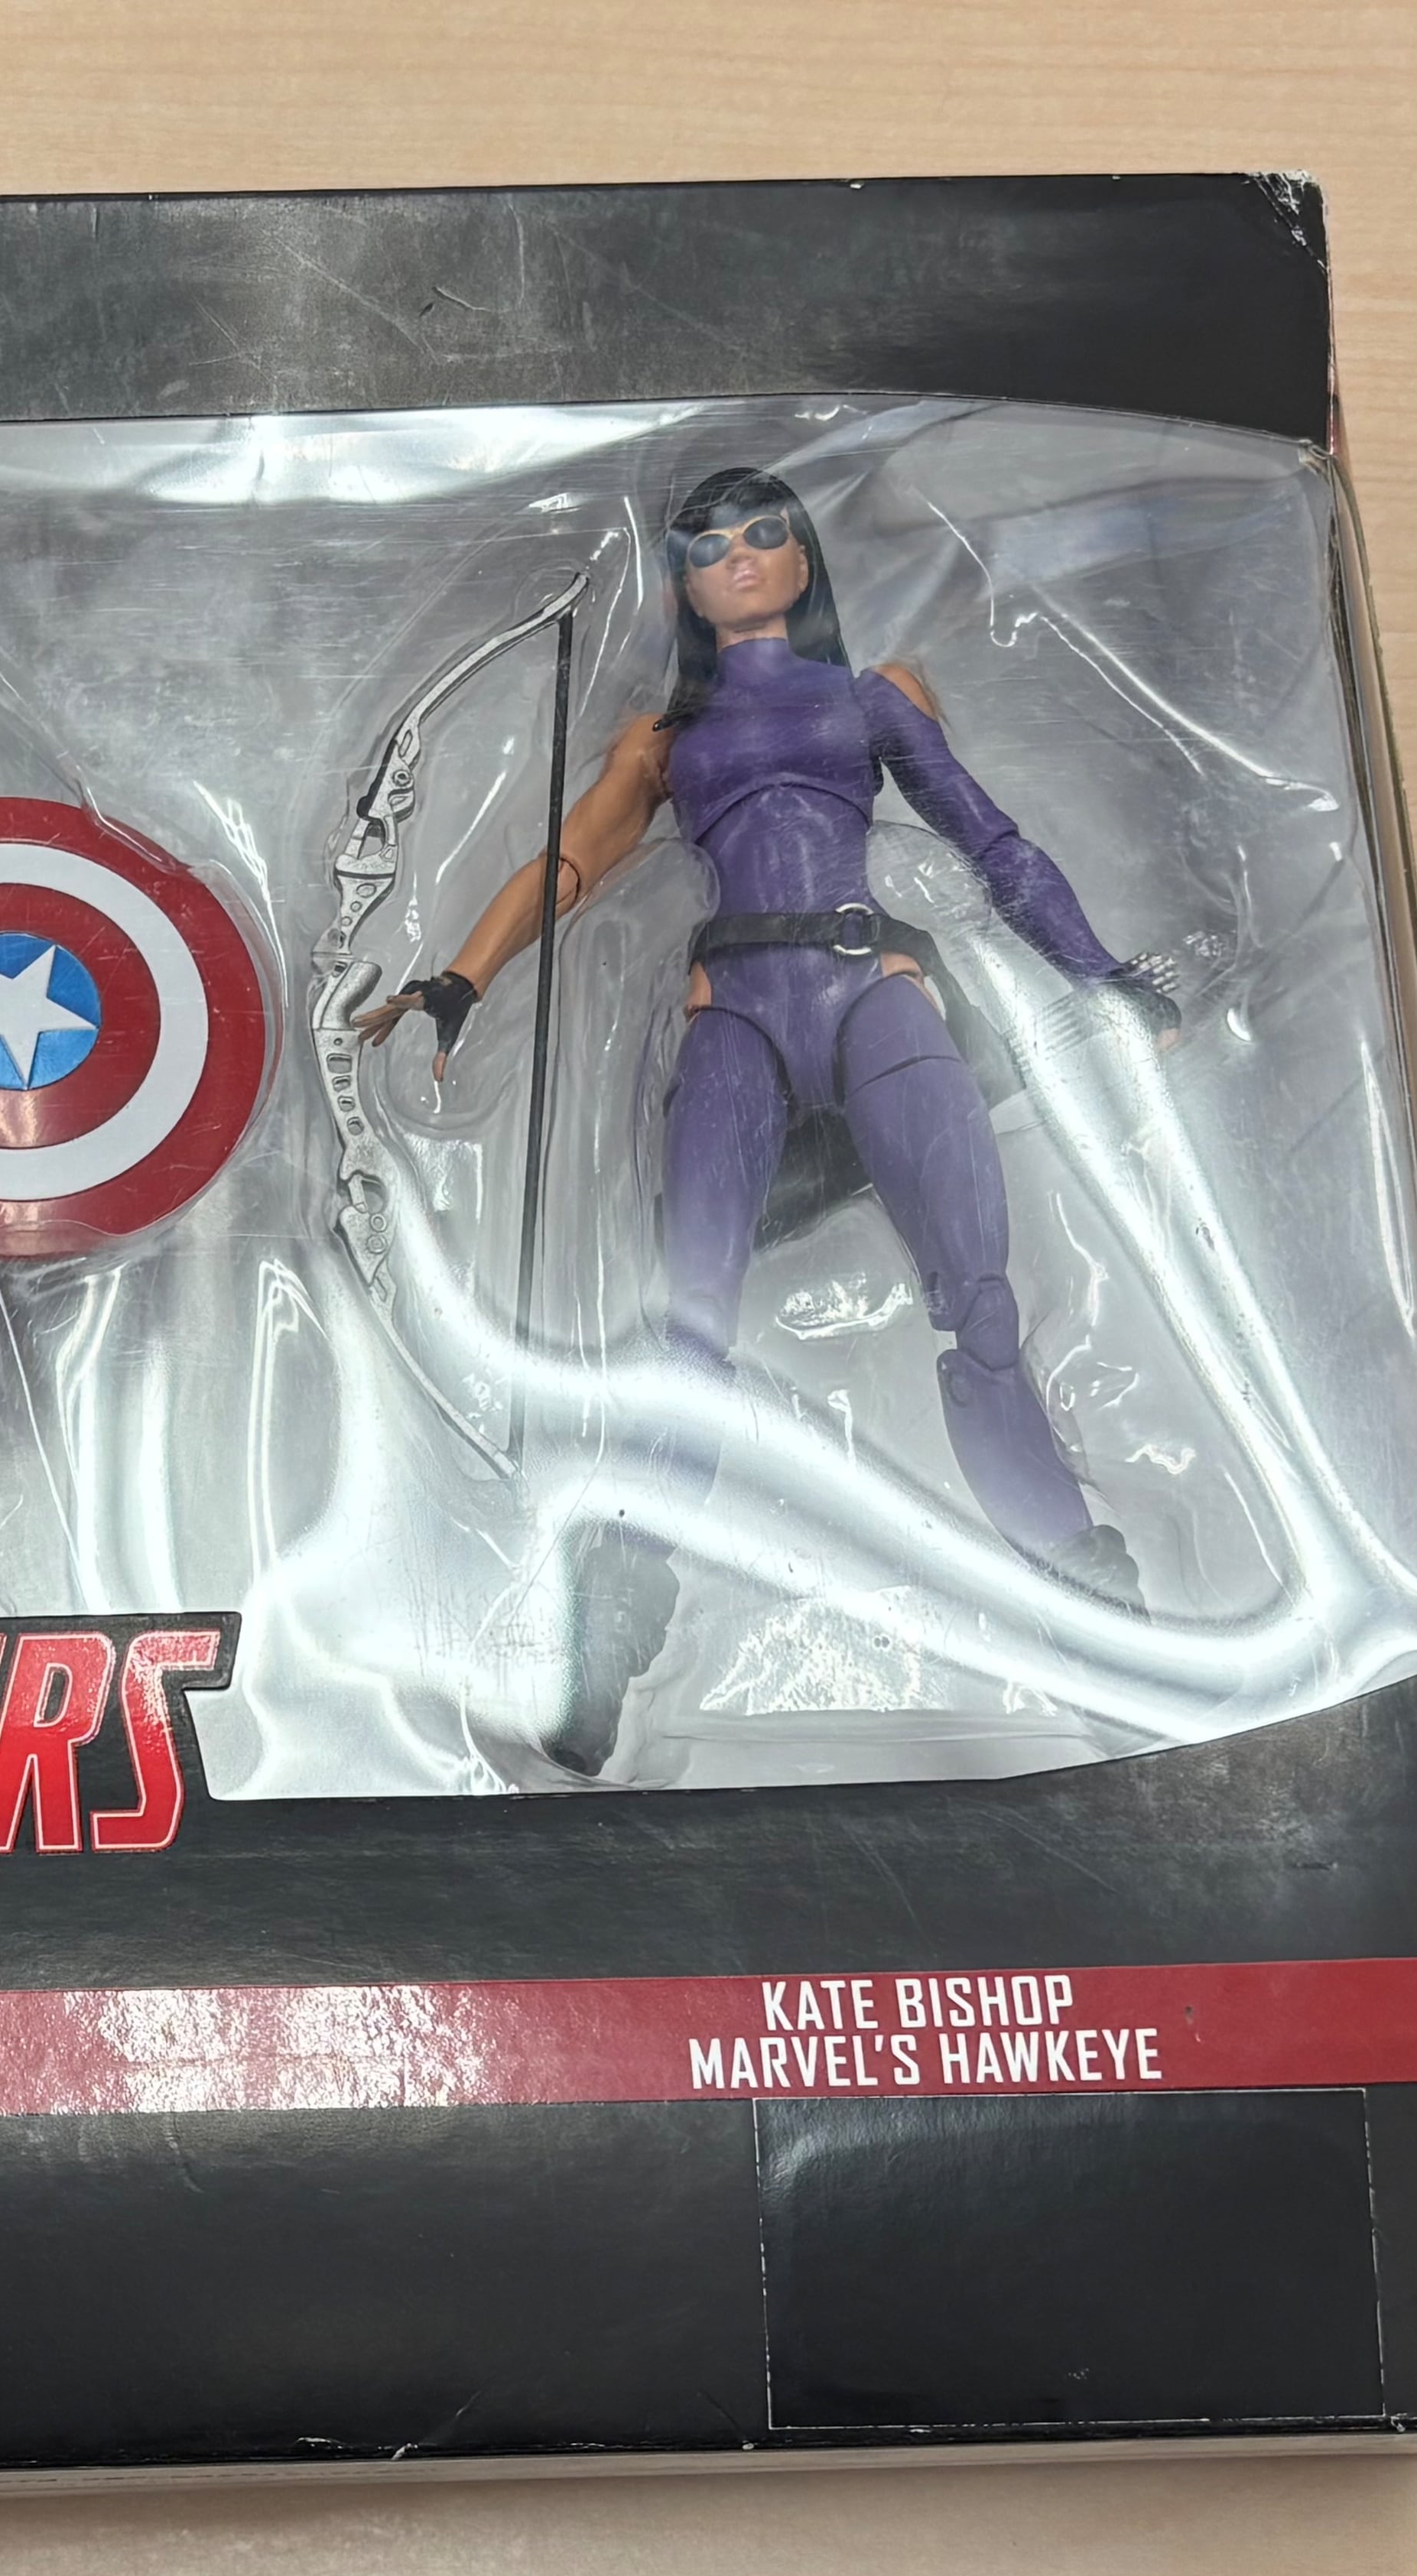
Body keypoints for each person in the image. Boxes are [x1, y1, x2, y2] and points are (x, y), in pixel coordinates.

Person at [358, 466, 1177, 1776]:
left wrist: (1102, 974)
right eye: (707, 544)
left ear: (804, 557)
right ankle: (609, 1638)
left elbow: (995, 846)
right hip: (733, 1008)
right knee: (689, 1333)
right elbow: (570, 865)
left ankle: (1097, 1610)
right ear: (679, 583)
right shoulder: (663, 738)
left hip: (874, 992)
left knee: (979, 1305)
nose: (737, 556)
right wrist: (461, 979)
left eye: (763, 533)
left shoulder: (874, 697)